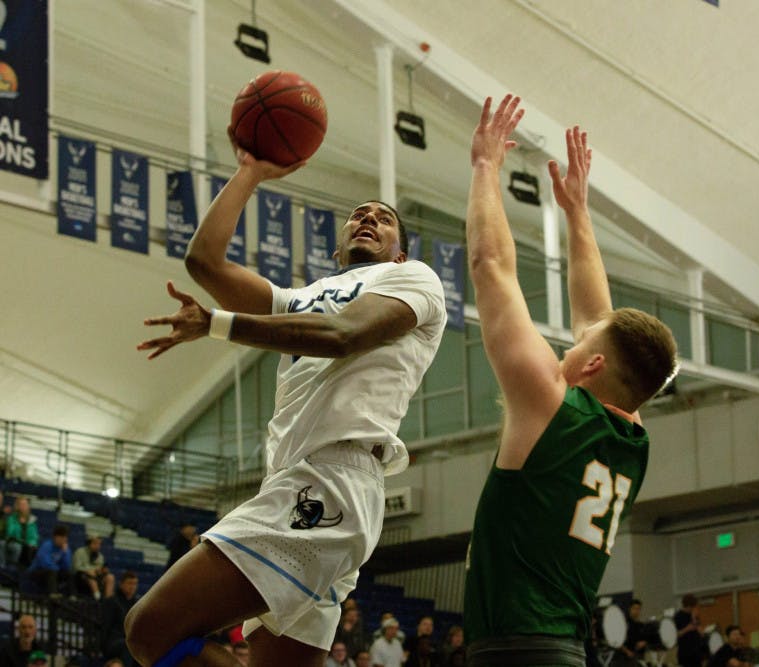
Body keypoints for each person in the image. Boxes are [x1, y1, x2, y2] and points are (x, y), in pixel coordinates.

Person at [126, 142, 446, 667]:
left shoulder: (411, 278)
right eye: (358, 215)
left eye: (383, 219)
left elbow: (343, 334)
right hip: (299, 485)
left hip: (330, 481)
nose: (368, 218)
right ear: (338, 249)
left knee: (150, 630)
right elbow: (203, 262)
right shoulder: (296, 300)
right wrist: (249, 172)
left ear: (401, 251)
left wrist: (217, 324)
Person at [462, 94, 678, 667]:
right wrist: (578, 214)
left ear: (594, 367)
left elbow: (490, 268)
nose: (569, 342)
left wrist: (485, 168)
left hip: (517, 650)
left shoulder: (548, 405)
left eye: (577, 346)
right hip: (560, 649)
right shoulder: (632, 435)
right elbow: (596, 320)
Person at [101, 571, 140, 667]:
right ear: (121, 584)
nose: (132, 587)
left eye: (135, 584)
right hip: (113, 641)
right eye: (129, 583)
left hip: (129, 641)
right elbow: (105, 625)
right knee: (128, 646)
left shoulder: (137, 604)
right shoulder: (112, 602)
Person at [27, 524, 72, 595]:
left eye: (66, 537)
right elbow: (45, 563)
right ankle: (53, 595)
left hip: (54, 572)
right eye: (63, 537)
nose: (65, 540)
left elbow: (67, 566)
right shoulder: (47, 546)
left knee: (69, 574)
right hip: (37, 571)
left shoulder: (65, 549)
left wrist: (65, 553)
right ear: (56, 537)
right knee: (52, 571)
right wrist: (57, 569)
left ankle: (72, 596)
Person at [72, 535, 113, 599]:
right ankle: (97, 597)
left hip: (96, 576)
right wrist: (88, 570)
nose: (98, 546)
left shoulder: (100, 556)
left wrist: (102, 571)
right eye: (95, 543)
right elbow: (76, 567)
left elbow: (100, 568)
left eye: (99, 544)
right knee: (91, 574)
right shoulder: (80, 552)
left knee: (110, 577)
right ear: (89, 543)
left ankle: (108, 600)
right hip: (80, 576)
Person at [3, 496, 38, 568]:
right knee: (18, 547)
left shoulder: (32, 520)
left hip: (27, 545)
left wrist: (32, 544)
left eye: (25, 504)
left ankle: (26, 571)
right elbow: (10, 533)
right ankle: (12, 568)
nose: (23, 507)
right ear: (17, 507)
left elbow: (34, 537)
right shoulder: (12, 518)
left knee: (33, 549)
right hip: (13, 542)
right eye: (21, 505)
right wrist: (19, 523)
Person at [674, 594, 702, 667]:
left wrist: (694, 618)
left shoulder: (694, 616)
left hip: (696, 652)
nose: (694, 609)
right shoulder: (678, 616)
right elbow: (675, 635)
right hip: (685, 653)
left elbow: (700, 632)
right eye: (693, 607)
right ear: (689, 606)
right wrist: (687, 629)